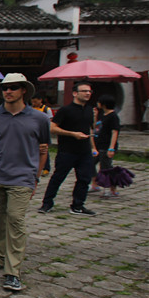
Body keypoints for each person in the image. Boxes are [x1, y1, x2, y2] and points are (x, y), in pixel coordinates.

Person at [0, 73, 49, 292]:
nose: (8, 92)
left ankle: (13, 271)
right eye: (5, 88)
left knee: (16, 220)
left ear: (24, 91)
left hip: (22, 177)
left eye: (13, 87)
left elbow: (43, 149)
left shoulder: (40, 119)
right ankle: (1, 255)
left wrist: (36, 176)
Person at [38, 81, 97, 216]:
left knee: (84, 179)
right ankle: (47, 203)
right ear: (75, 93)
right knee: (58, 178)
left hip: (84, 151)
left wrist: (93, 147)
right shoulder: (65, 110)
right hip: (67, 151)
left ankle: (78, 205)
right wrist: (72, 134)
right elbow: (52, 128)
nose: (88, 93)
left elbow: (89, 129)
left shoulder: (90, 110)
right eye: (84, 91)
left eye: (89, 91)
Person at [90, 94, 121, 197]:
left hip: (106, 146)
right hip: (98, 145)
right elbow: (96, 128)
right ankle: (94, 184)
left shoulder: (113, 116)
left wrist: (111, 148)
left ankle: (110, 189)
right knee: (89, 163)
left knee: (106, 168)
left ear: (104, 104)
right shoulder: (103, 115)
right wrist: (95, 116)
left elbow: (115, 132)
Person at [31, 94, 54, 176]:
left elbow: (50, 121)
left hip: (43, 132)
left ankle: (46, 168)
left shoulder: (46, 109)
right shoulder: (31, 109)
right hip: (33, 132)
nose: (34, 103)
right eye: (32, 102)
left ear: (40, 100)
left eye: (35, 101)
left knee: (44, 150)